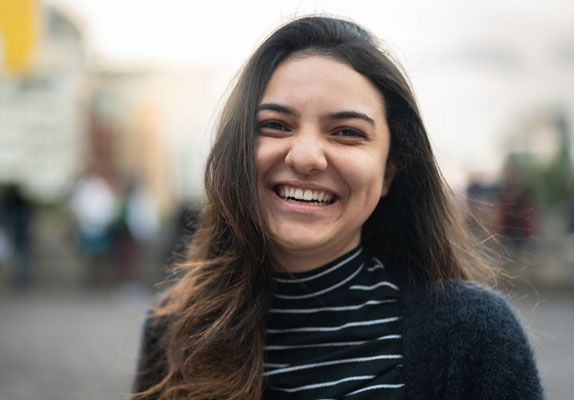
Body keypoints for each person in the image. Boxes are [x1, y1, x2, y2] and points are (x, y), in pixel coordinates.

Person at [132, 16, 543, 400]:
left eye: (347, 132)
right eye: (275, 125)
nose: (307, 157)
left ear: (388, 172)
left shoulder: (472, 336)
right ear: (235, 151)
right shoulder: (173, 329)